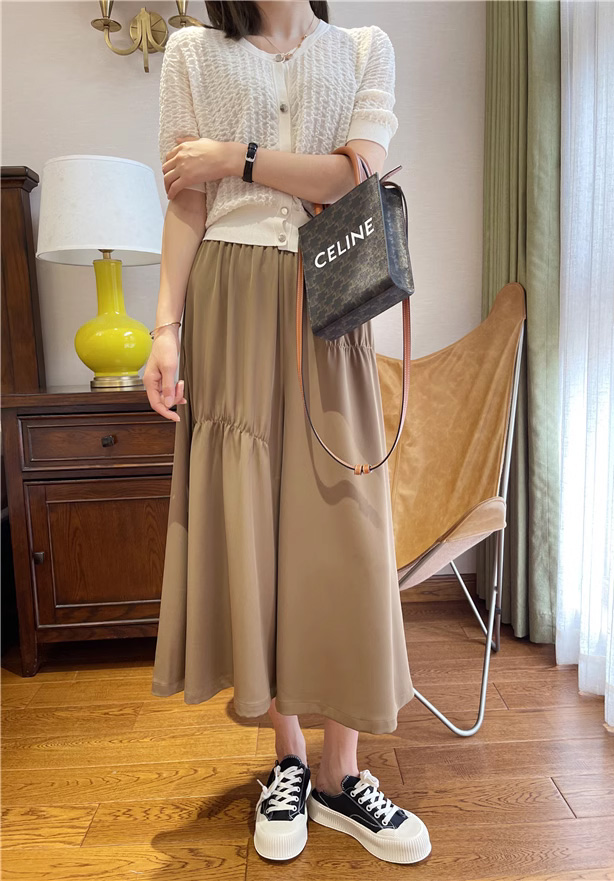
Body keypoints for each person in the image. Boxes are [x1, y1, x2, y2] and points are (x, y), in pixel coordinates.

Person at [144, 0, 431, 865]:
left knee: (343, 524)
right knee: (255, 525)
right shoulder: (192, 53)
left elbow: (352, 176)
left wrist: (234, 157)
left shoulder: (364, 49)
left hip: (327, 300)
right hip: (228, 300)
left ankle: (344, 773)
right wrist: (164, 328)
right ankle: (291, 760)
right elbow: (187, 207)